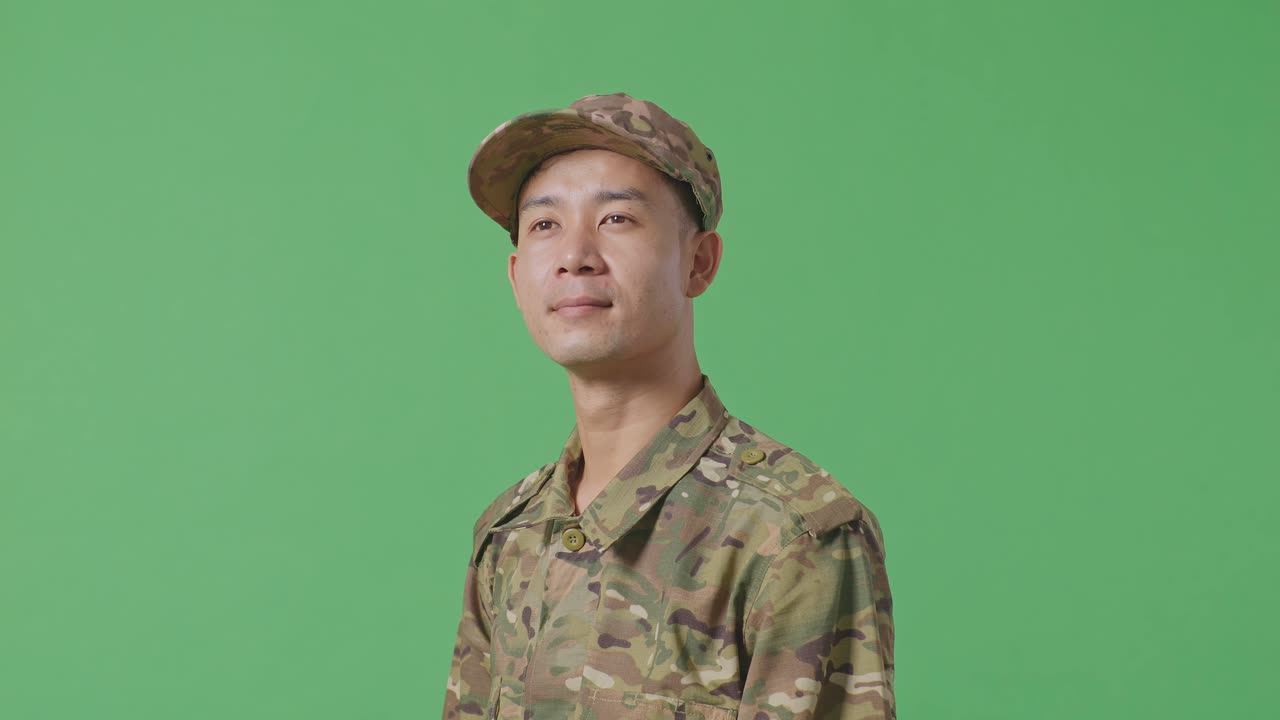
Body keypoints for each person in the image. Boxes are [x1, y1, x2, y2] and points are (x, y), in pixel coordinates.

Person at [443, 92, 895, 720]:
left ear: (699, 262)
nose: (575, 255)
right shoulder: (510, 534)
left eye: (617, 219)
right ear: (517, 275)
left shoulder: (789, 535)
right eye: (545, 224)